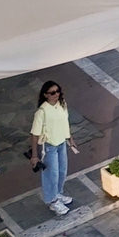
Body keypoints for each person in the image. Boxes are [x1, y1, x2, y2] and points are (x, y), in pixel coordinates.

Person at [28, 80, 80, 215]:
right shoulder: (42, 112)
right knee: (52, 174)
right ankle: (52, 200)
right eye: (52, 93)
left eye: (57, 91)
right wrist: (34, 156)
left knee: (62, 171)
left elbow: (65, 122)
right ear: (45, 95)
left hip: (61, 143)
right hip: (49, 146)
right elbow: (35, 134)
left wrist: (70, 139)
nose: (56, 94)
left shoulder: (62, 104)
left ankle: (57, 193)